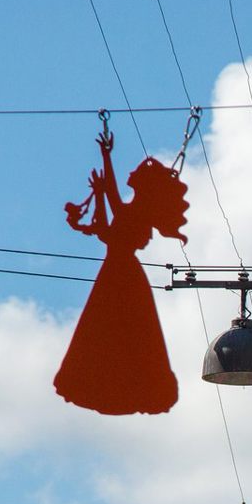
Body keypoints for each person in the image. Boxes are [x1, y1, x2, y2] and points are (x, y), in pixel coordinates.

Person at [54, 132, 188, 414]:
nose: (131, 173)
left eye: (135, 172)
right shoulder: (131, 212)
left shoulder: (136, 213)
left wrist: (106, 159)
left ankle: (116, 385)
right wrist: (101, 190)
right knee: (111, 332)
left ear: (141, 183)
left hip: (120, 273)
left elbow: (110, 219)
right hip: (118, 271)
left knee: (117, 330)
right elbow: (106, 230)